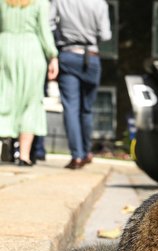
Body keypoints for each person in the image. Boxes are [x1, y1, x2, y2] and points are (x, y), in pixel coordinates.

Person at [50, 0, 111, 169]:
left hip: (68, 55)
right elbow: (106, 35)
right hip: (91, 57)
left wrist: (62, 35)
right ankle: (86, 152)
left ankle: (76, 156)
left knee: (71, 108)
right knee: (87, 109)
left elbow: (49, 24)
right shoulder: (100, 4)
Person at [0, 0, 58, 167]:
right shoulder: (40, 3)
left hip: (4, 49)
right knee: (30, 102)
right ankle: (24, 156)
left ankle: (4, 150)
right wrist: (52, 55)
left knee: (4, 97)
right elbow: (44, 31)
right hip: (32, 52)